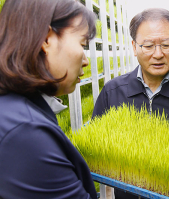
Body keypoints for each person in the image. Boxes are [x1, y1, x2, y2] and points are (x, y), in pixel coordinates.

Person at [92, 8, 169, 199]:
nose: (158, 54)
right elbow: (95, 149)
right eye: (148, 46)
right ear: (134, 47)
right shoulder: (112, 92)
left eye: (166, 45)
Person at [0, 0, 98, 198]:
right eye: (82, 44)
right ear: (46, 39)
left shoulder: (14, 109)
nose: (86, 61)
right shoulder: (25, 132)